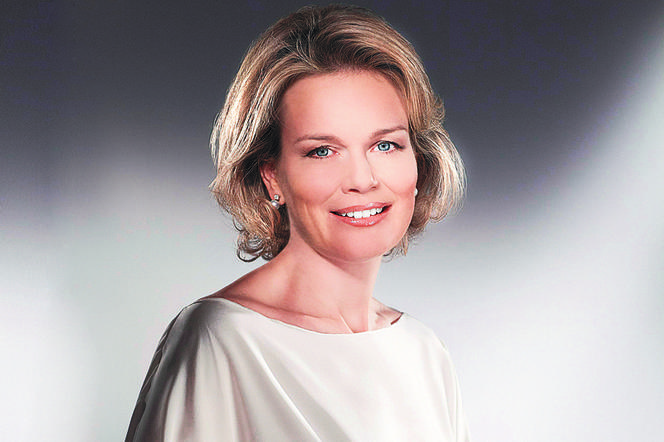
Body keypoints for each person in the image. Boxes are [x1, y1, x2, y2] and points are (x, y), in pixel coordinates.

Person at [126, 4, 469, 441]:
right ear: (272, 176)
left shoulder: (423, 352)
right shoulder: (223, 338)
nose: (363, 179)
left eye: (385, 145)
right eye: (322, 151)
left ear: (418, 160)